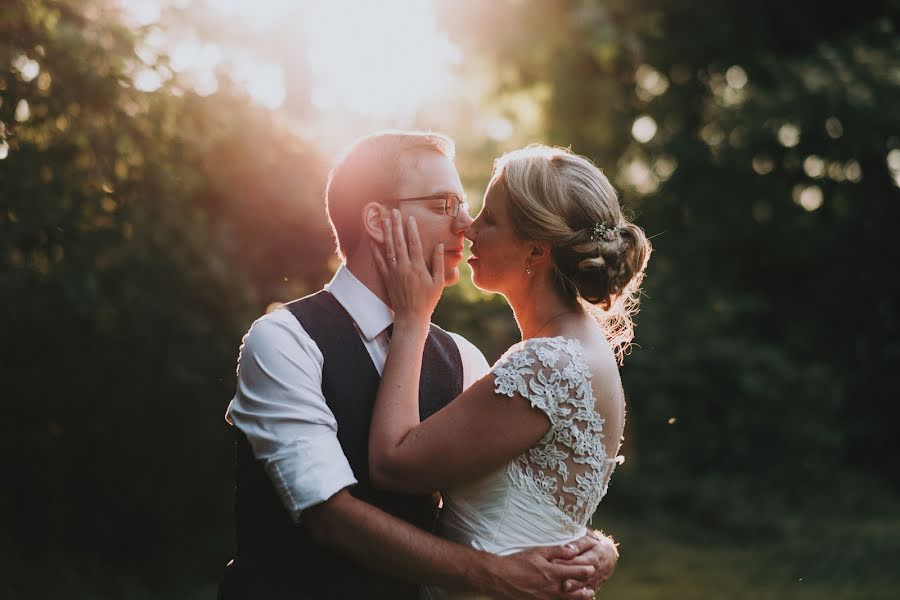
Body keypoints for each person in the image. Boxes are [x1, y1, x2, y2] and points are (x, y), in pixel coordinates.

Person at [218, 132, 618, 600]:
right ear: (378, 220)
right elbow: (328, 517)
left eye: (469, 209)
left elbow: (502, 500)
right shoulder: (285, 341)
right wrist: (494, 574)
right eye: (443, 204)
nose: (465, 225)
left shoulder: (464, 359)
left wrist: (590, 546)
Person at [369, 144, 651, 600]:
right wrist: (599, 547)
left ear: (536, 250)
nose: (468, 227)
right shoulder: (579, 351)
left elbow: (392, 465)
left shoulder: (547, 365)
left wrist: (411, 319)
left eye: (490, 219)